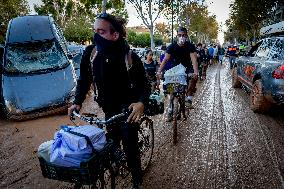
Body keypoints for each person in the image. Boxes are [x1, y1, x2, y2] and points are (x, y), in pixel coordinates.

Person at [68, 13, 150, 189]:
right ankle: (114, 163)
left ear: (115, 35)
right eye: (94, 31)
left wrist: (141, 103)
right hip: (108, 107)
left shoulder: (130, 57)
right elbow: (84, 80)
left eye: (101, 31)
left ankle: (137, 177)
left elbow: (145, 85)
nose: (96, 36)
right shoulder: (91, 53)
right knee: (111, 140)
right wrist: (77, 102)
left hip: (129, 109)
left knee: (129, 143)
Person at [157, 27, 199, 117]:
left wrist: (196, 72)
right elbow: (165, 60)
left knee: (194, 78)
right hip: (175, 68)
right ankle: (170, 107)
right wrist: (159, 71)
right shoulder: (171, 46)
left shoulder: (190, 46)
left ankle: (189, 98)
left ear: (186, 36)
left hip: (187, 68)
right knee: (170, 87)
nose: (181, 37)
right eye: (179, 35)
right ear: (177, 36)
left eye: (183, 35)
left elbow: (194, 60)